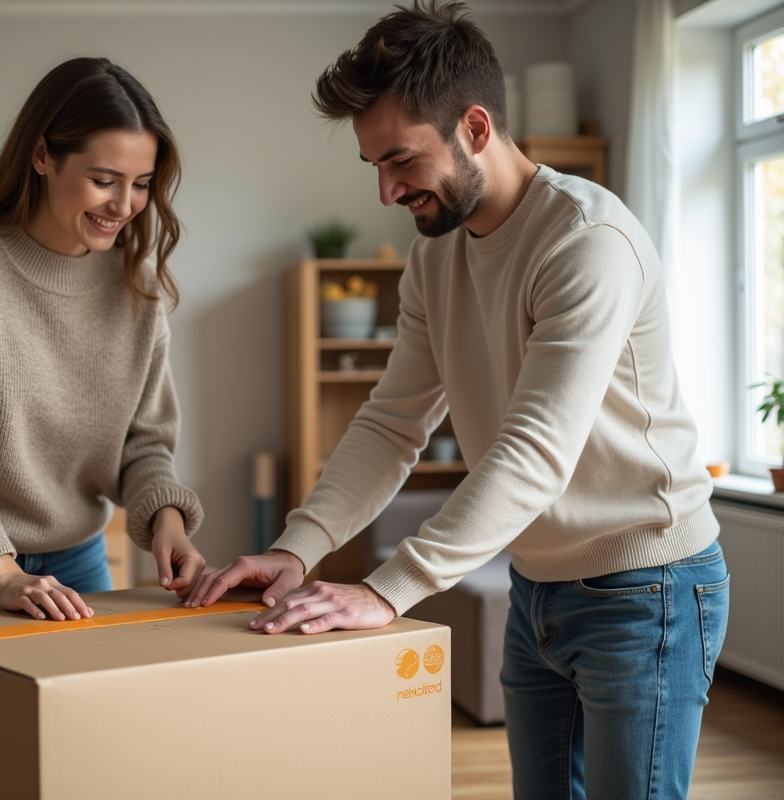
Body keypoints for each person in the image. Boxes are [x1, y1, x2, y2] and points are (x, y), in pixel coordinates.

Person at [188, 4, 729, 798]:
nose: (385, 190)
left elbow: (535, 452)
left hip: (647, 585)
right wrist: (298, 546)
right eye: (374, 165)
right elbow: (390, 422)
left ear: (475, 126)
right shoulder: (434, 261)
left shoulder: (586, 242)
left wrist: (388, 590)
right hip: (536, 585)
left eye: (401, 160)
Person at [0, 57, 205, 622]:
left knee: (82, 715)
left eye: (142, 185)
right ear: (41, 156)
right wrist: (2, 571)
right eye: (103, 180)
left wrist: (167, 524)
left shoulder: (136, 283)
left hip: (75, 563)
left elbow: (144, 443)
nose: (123, 206)